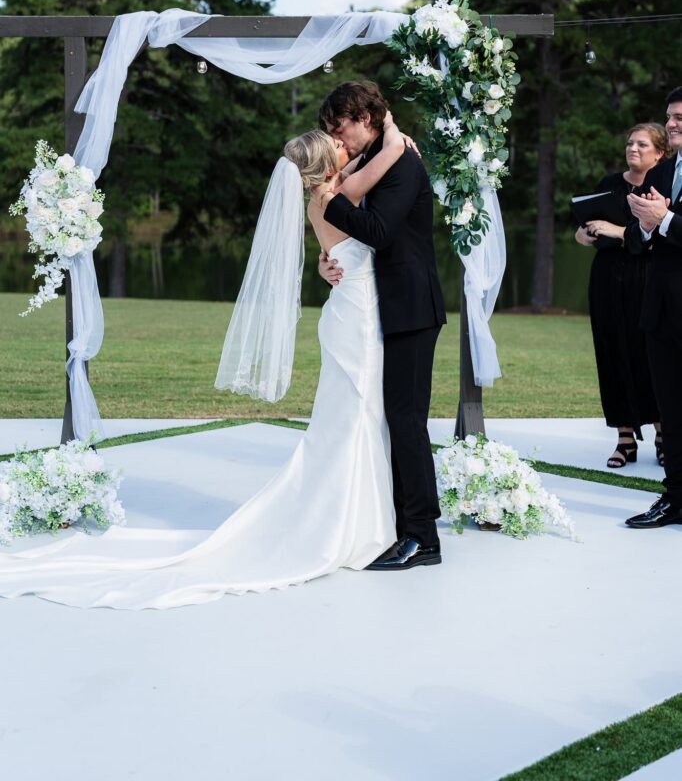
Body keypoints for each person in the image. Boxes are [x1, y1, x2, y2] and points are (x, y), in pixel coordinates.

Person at [0, 118, 412, 608]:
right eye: (337, 149)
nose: (346, 151)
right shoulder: (334, 196)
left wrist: (327, 262)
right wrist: (392, 135)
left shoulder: (318, 200)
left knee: (353, 420)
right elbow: (383, 164)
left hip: (349, 312)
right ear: (327, 168)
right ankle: (354, 526)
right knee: (356, 419)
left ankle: (360, 518)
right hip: (357, 319)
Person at [319, 80, 447, 571]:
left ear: (365, 119)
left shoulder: (403, 164)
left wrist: (326, 199)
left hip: (412, 308)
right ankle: (396, 525)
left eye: (341, 126)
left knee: (407, 422)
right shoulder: (380, 158)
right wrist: (324, 263)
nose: (337, 136)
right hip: (384, 307)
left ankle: (423, 538)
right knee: (390, 418)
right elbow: (349, 241)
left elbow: (376, 231)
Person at [574, 124, 665, 468]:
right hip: (608, 280)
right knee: (611, 353)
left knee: (650, 357)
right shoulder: (609, 185)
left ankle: (663, 435)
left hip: (648, 279)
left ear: (659, 153)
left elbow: (658, 237)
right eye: (630, 143)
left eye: (642, 144)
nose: (633, 148)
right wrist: (585, 234)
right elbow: (584, 231)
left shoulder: (664, 187)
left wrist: (616, 231)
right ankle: (624, 439)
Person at [624, 87, 682, 529]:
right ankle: (675, 497)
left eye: (680, 117)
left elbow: (670, 224)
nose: (673, 124)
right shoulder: (663, 173)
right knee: (671, 409)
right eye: (670, 117)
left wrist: (662, 220)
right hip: (662, 309)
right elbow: (644, 239)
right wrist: (646, 225)